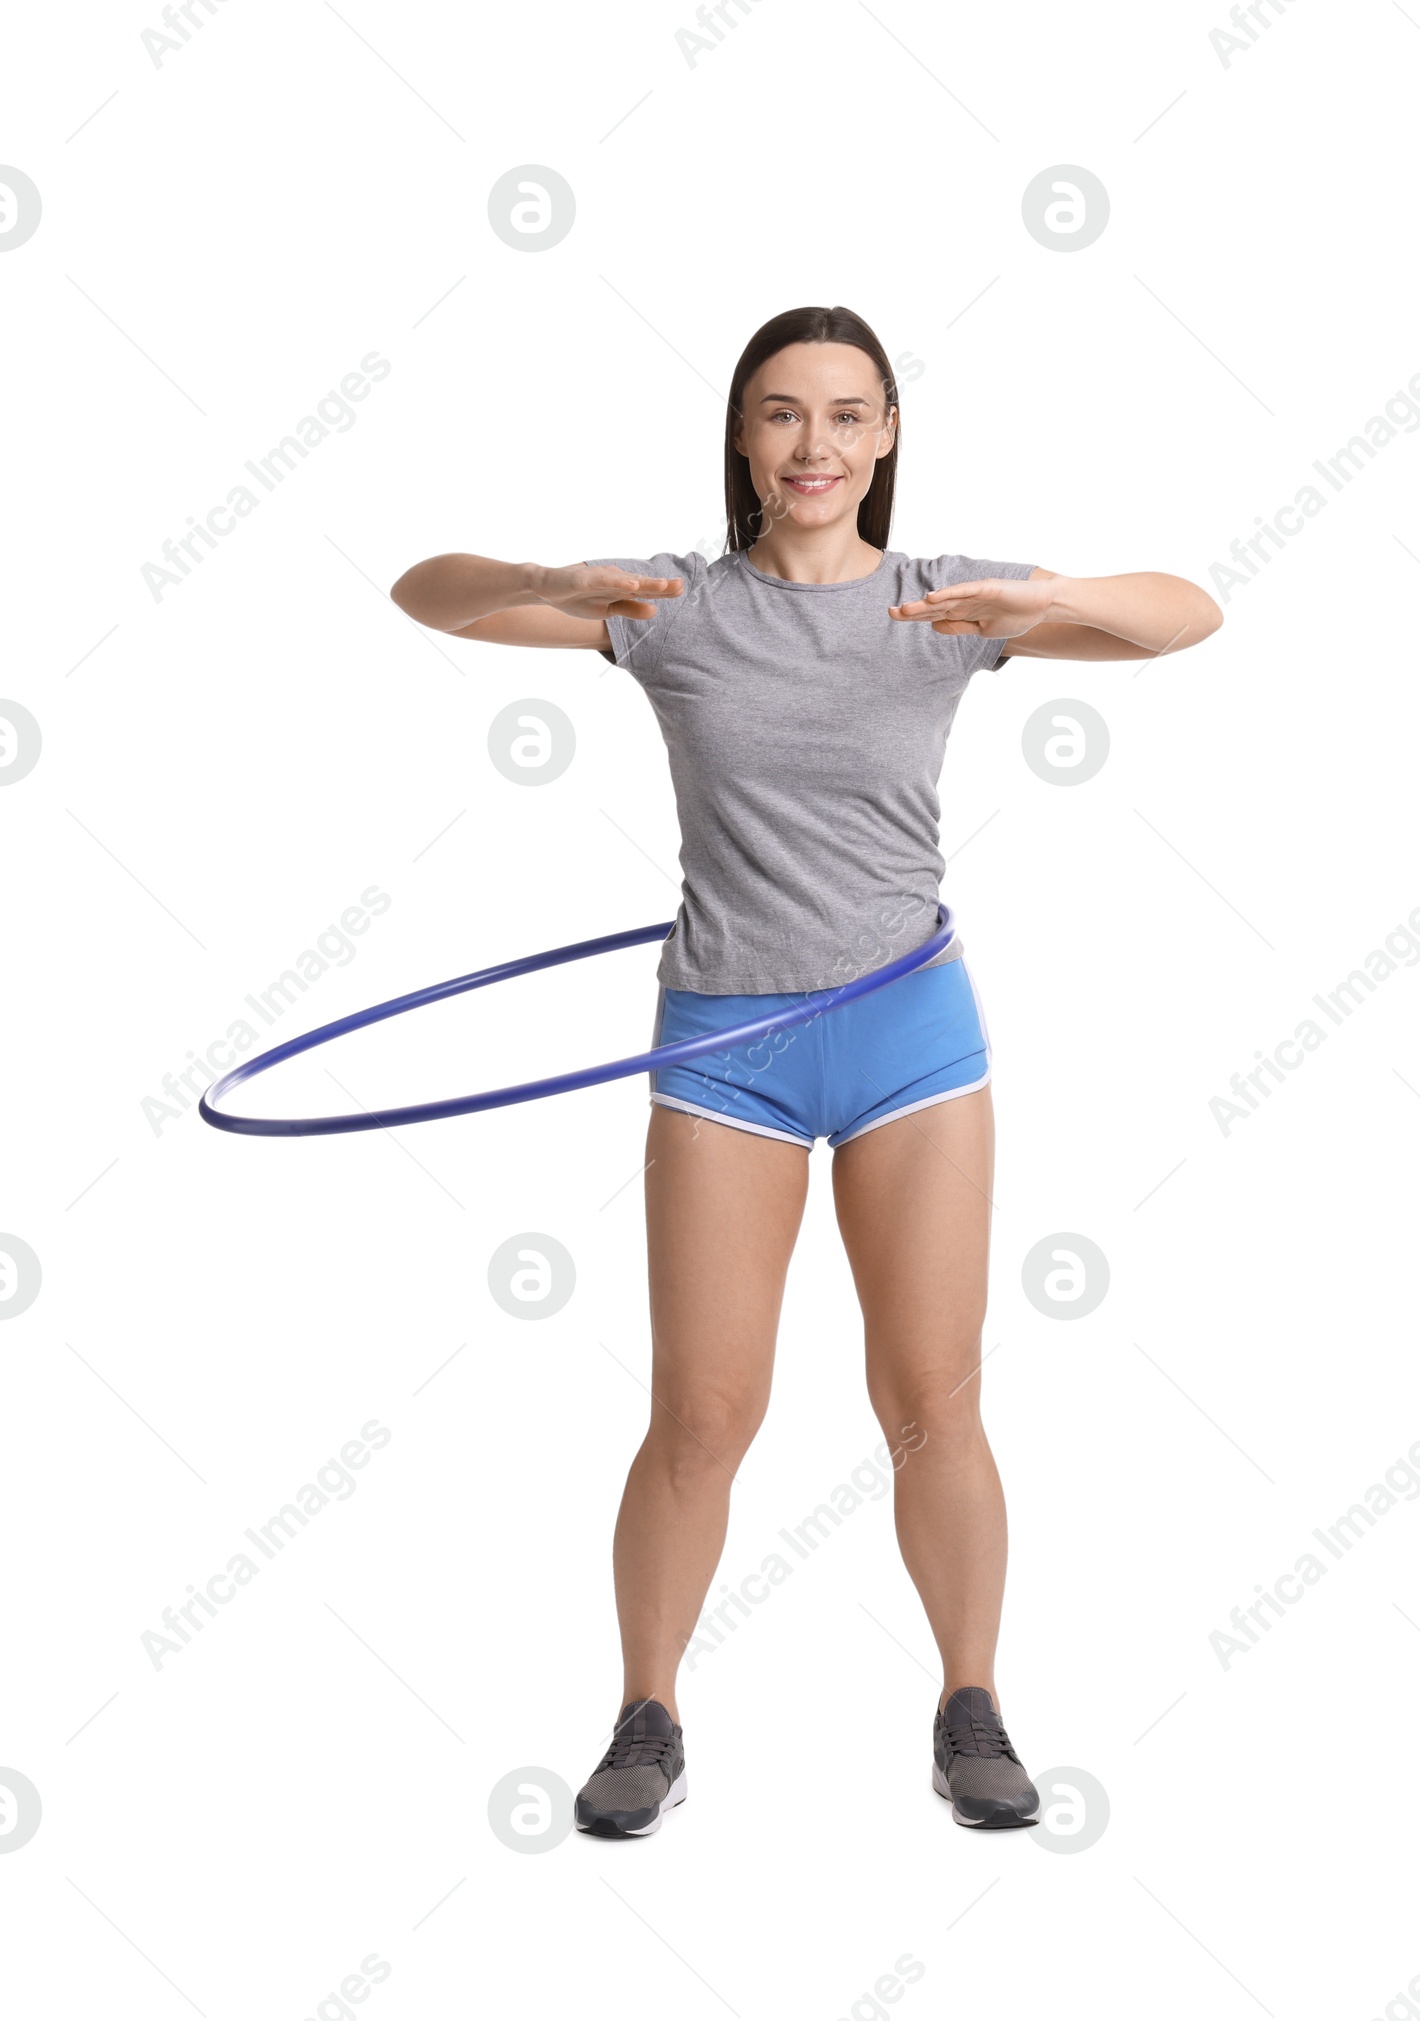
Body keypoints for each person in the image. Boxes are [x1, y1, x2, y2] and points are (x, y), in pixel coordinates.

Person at [390, 304, 1222, 1835]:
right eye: (782, 415)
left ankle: (970, 1705)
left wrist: (1036, 595)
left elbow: (1188, 618)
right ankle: (649, 1714)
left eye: (846, 416)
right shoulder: (676, 607)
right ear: (743, 438)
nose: (814, 446)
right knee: (703, 1411)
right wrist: (549, 584)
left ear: (888, 433)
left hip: (912, 1037)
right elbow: (423, 596)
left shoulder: (940, 603)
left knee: (933, 1399)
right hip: (729, 1045)